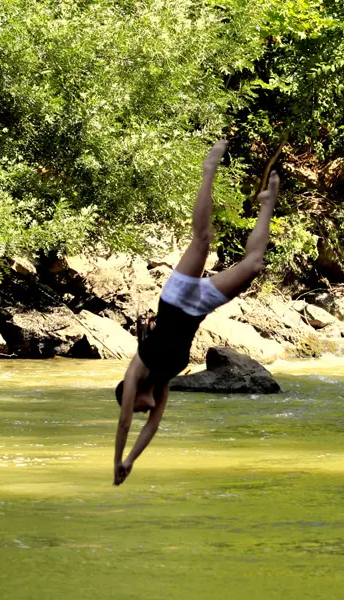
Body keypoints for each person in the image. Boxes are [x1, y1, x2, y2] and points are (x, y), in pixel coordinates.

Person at [113, 139, 279, 485]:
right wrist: (131, 461)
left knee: (202, 239)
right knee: (254, 264)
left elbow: (126, 423)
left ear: (128, 398)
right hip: (198, 309)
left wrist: (116, 461)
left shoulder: (135, 375)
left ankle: (209, 170)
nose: (145, 409)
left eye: (138, 406)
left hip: (175, 298)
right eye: (144, 407)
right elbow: (151, 429)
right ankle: (267, 203)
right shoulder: (162, 385)